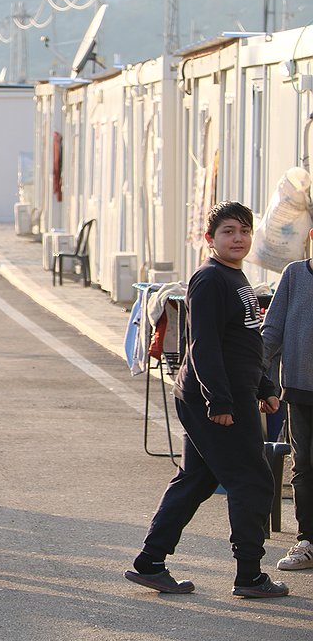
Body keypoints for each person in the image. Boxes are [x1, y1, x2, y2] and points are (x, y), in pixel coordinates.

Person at [125, 201, 288, 599]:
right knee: (252, 481)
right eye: (228, 231)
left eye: (244, 231)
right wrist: (221, 401)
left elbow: (245, 342)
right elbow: (204, 346)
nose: (238, 238)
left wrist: (265, 385)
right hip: (217, 401)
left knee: (196, 479)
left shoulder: (236, 277)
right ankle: (249, 576)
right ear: (210, 239)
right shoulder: (211, 279)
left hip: (231, 393)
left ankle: (150, 562)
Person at [261, 226, 313, 572]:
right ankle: (307, 539)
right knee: (305, 465)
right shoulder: (295, 274)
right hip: (300, 388)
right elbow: (272, 329)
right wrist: (254, 374)